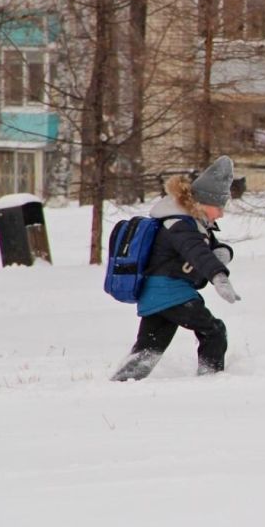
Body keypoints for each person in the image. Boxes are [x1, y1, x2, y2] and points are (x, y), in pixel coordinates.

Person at [111, 156, 242, 381]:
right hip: (171, 292)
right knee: (214, 331)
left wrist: (223, 254)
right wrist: (219, 277)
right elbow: (197, 253)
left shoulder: (189, 222)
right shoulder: (180, 224)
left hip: (156, 294)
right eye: (219, 207)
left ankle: (123, 382)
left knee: (149, 348)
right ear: (204, 202)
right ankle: (211, 379)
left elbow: (207, 247)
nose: (221, 213)